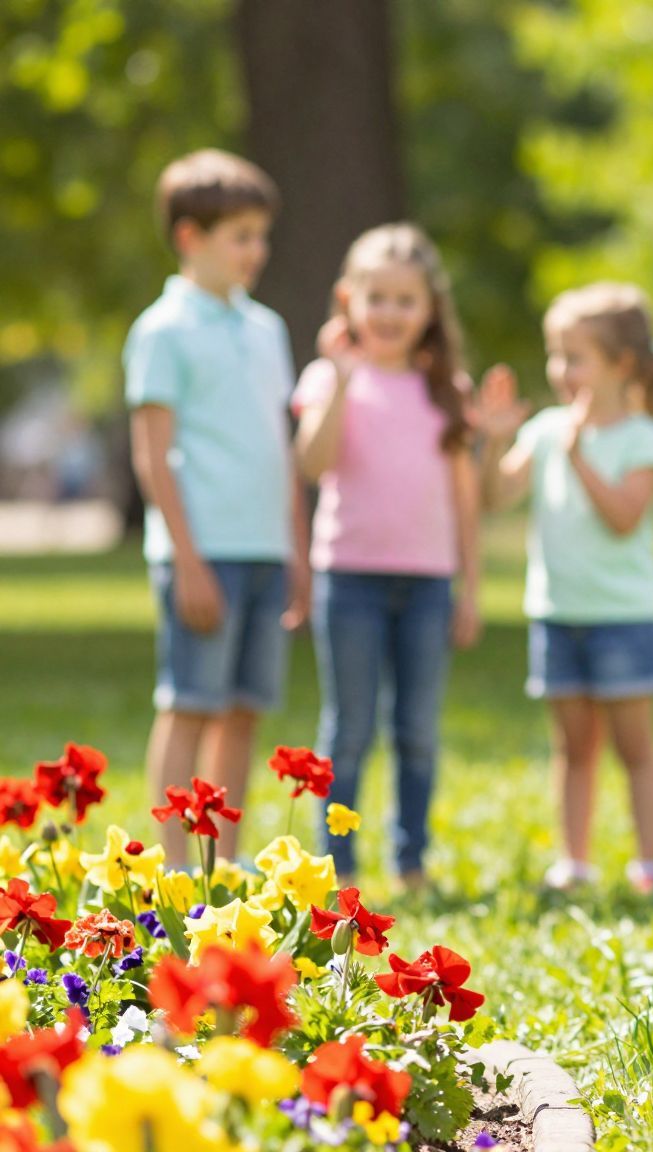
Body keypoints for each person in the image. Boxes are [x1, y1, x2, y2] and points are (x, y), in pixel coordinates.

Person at [126, 149, 307, 866]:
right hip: (200, 553)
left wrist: (296, 550)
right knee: (191, 702)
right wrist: (189, 561)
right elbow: (152, 454)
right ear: (189, 237)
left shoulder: (267, 329)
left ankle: (220, 863)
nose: (255, 251)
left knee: (242, 712)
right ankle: (173, 864)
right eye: (240, 236)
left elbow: (279, 448)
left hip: (266, 549)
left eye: (261, 236)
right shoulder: (163, 330)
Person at [291, 223, 482, 890]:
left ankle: (411, 859)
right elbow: (312, 464)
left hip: (428, 584)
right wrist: (342, 379)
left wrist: (471, 589)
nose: (392, 313)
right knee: (348, 729)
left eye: (407, 300)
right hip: (349, 581)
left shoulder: (445, 388)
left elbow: (464, 501)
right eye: (378, 298)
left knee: (417, 731)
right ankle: (337, 866)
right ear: (349, 300)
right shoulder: (327, 377)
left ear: (429, 308)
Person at [475, 283, 653, 896]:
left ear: (621, 365)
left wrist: (579, 456)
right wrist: (492, 439)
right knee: (572, 747)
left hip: (623, 617)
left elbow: (624, 517)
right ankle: (575, 860)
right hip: (557, 614)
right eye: (556, 355)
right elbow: (495, 497)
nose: (560, 371)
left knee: (634, 745)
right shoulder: (544, 430)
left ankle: (647, 862)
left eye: (575, 357)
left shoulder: (643, 436)